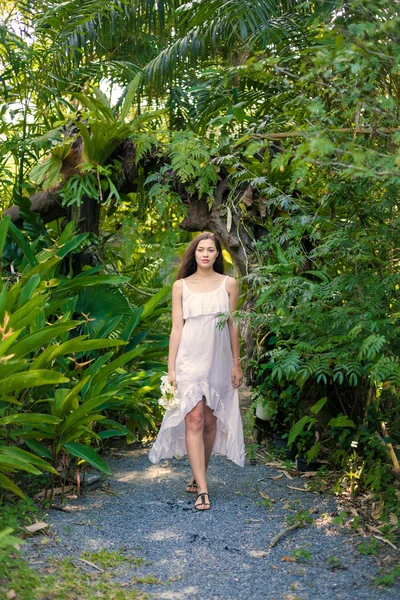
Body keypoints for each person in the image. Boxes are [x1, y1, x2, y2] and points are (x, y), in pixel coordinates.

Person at [148, 232, 245, 510]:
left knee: (211, 422)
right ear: (194, 254)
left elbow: (233, 324)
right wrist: (171, 368)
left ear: (217, 254)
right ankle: (203, 489)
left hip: (219, 359)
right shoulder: (181, 286)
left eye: (210, 250)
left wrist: (237, 362)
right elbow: (176, 328)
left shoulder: (229, 284)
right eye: (200, 249)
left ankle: (198, 469)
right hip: (188, 358)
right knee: (194, 419)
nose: (205, 254)